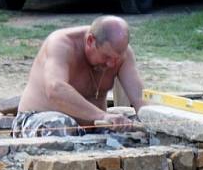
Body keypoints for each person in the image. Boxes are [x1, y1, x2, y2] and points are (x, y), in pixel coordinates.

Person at [13, 15, 144, 137]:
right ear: (90, 41)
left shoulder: (123, 53)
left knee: (133, 131)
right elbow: (55, 89)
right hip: (37, 120)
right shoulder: (61, 44)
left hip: (92, 125)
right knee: (59, 126)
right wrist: (102, 116)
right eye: (107, 57)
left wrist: (150, 120)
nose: (111, 64)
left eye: (117, 58)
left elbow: (139, 97)